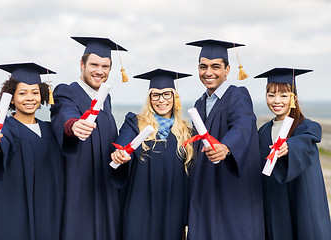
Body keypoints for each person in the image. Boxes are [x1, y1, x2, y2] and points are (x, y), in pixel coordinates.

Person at [185, 39, 265, 239]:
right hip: (205, 184)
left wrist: (227, 146)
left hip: (229, 184)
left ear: (227, 69)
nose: (208, 72)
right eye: (203, 67)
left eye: (215, 67)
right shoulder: (199, 102)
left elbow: (244, 124)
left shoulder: (237, 95)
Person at [50, 37, 126, 240]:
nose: (99, 71)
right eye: (94, 64)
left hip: (104, 185)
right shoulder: (67, 91)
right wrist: (73, 125)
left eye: (105, 66)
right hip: (79, 184)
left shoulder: (105, 98)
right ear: (82, 64)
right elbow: (64, 114)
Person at [0, 63, 64, 240]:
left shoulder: (49, 130)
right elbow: (0, 147)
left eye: (35, 92)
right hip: (14, 206)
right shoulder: (6, 127)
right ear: (11, 98)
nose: (29, 98)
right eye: (22, 93)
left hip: (45, 208)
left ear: (41, 95)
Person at [110, 68, 194, 240]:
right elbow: (123, 145)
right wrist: (120, 155)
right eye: (155, 95)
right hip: (139, 207)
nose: (161, 100)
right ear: (149, 99)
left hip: (173, 210)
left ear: (174, 97)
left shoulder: (187, 132)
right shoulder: (135, 124)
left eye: (166, 94)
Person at [255, 68, 331, 240]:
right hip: (273, 204)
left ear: (294, 99)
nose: (276, 101)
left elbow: (305, 141)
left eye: (283, 95)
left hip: (299, 202)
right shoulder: (263, 132)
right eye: (271, 94)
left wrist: (289, 147)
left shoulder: (306, 127)